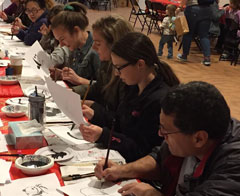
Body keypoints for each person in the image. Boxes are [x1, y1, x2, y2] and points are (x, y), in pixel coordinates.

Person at [94, 81, 240, 196]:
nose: (160, 134)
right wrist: (121, 170)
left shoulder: (233, 167)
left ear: (199, 139)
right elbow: (160, 157)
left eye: (166, 131)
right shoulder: (195, 132)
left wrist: (153, 195)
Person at [80, 32, 180, 163]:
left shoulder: (159, 100)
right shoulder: (132, 86)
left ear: (140, 65)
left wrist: (104, 136)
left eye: (119, 68)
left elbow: (142, 150)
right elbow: (121, 122)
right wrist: (95, 114)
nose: (116, 74)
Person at [69, 15, 133, 112]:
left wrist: (95, 108)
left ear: (114, 44)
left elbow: (119, 117)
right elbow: (98, 87)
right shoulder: (106, 64)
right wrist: (72, 92)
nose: (93, 47)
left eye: (98, 44)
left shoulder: (128, 75)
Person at [50, 2, 100, 87]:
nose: (61, 45)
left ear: (76, 31)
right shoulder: (75, 46)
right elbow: (76, 75)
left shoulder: (97, 51)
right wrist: (62, 75)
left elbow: (106, 88)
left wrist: (80, 80)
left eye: (62, 39)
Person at [177, 0, 212, 66]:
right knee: (204, 35)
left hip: (192, 9)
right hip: (207, 9)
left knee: (188, 33)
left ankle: (184, 56)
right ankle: (207, 59)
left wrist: (180, 7)